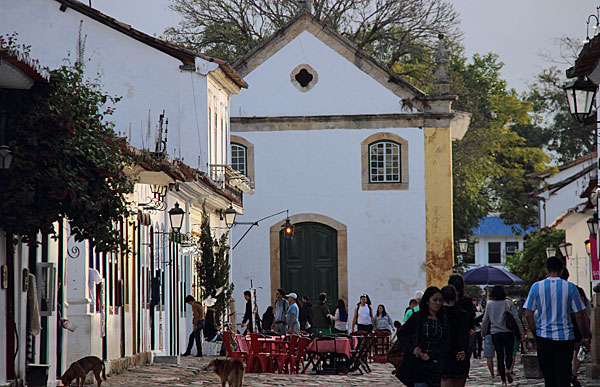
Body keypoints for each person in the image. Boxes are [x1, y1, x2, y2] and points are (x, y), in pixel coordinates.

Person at [524, 258, 590, 387]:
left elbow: (528, 314)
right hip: (565, 338)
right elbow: (579, 315)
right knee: (563, 376)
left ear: (546, 270)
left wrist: (535, 333)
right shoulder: (570, 287)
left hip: (544, 338)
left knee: (549, 378)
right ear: (561, 271)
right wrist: (584, 335)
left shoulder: (536, 287)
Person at [397, 286, 450, 387]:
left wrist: (433, 355)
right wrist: (412, 349)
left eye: (440, 300)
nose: (438, 303)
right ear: (427, 301)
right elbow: (402, 333)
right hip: (418, 364)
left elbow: (446, 342)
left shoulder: (443, 320)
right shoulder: (418, 317)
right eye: (435, 300)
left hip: (435, 365)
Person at [482, 286, 523, 386]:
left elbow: (485, 320)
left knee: (499, 356)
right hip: (508, 332)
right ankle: (508, 369)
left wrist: (483, 333)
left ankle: (503, 381)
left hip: (495, 333)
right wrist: (521, 330)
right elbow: (516, 317)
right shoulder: (508, 303)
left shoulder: (489, 304)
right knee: (509, 354)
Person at [440, 285, 470, 387]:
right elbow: (465, 335)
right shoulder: (463, 314)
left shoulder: (438, 314)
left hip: (443, 356)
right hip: (460, 354)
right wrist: (464, 350)